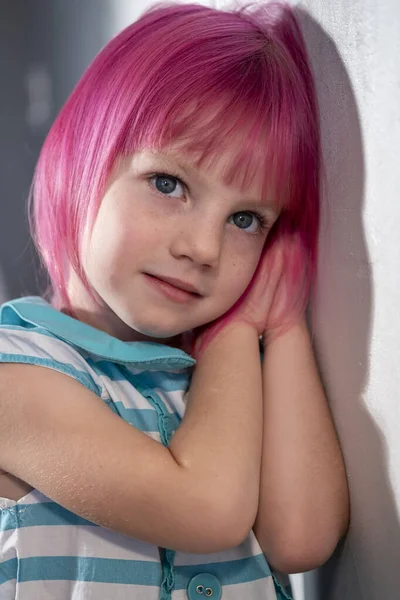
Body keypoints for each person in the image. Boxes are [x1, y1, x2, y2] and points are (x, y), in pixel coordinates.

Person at [0, 2, 349, 599]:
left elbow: (301, 539)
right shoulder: (18, 373)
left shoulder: (228, 381)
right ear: (83, 161)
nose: (204, 248)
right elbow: (207, 510)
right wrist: (238, 334)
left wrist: (283, 323)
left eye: (246, 219)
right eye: (170, 185)